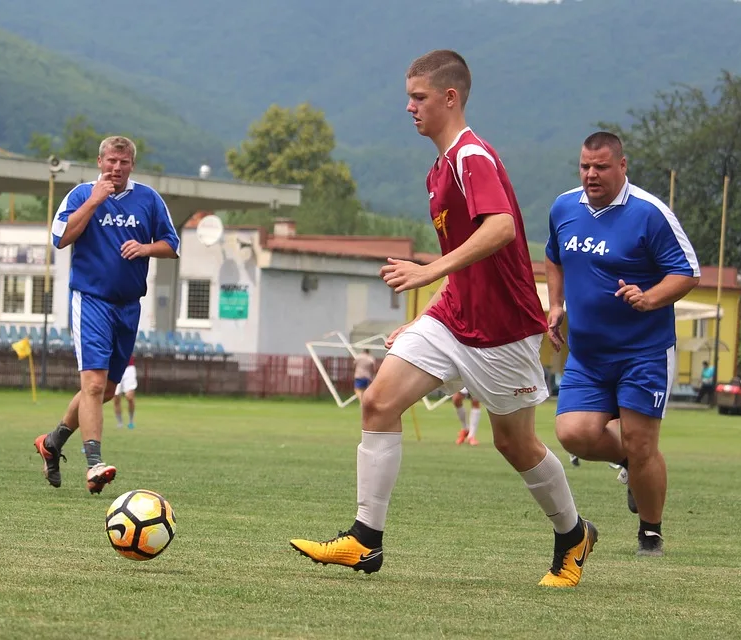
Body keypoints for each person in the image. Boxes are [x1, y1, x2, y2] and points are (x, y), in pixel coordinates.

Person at [290, 50, 597, 588]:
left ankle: (573, 536)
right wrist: (428, 315)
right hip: (456, 318)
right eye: (409, 97)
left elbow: (501, 229)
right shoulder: (438, 170)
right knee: (378, 401)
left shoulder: (470, 157)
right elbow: (468, 265)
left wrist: (430, 271)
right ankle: (365, 540)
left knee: (514, 444)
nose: (409, 107)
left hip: (504, 331)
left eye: (419, 97)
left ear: (449, 98)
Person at [545, 131, 700, 557]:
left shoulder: (650, 214)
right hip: (588, 355)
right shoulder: (563, 207)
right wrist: (555, 305)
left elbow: (687, 272)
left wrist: (650, 298)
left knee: (642, 441)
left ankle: (650, 533)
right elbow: (554, 257)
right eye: (585, 166)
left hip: (643, 352)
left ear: (622, 166)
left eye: (601, 166)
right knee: (572, 433)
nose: (591, 174)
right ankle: (633, 464)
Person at [33, 136, 180, 494]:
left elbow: (172, 245)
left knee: (107, 390)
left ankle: (52, 443)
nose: (117, 168)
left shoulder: (149, 199)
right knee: (94, 384)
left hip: (129, 305)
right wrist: (95, 201)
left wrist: (146, 247)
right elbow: (61, 237)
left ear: (132, 164)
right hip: (91, 300)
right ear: (99, 161)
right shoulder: (81, 195)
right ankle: (94, 464)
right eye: (111, 161)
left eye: (124, 162)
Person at [114, 354, 138, 429]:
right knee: (116, 397)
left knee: (129, 397)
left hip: (129, 368)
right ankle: (120, 422)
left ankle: (131, 421)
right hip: (115, 367)